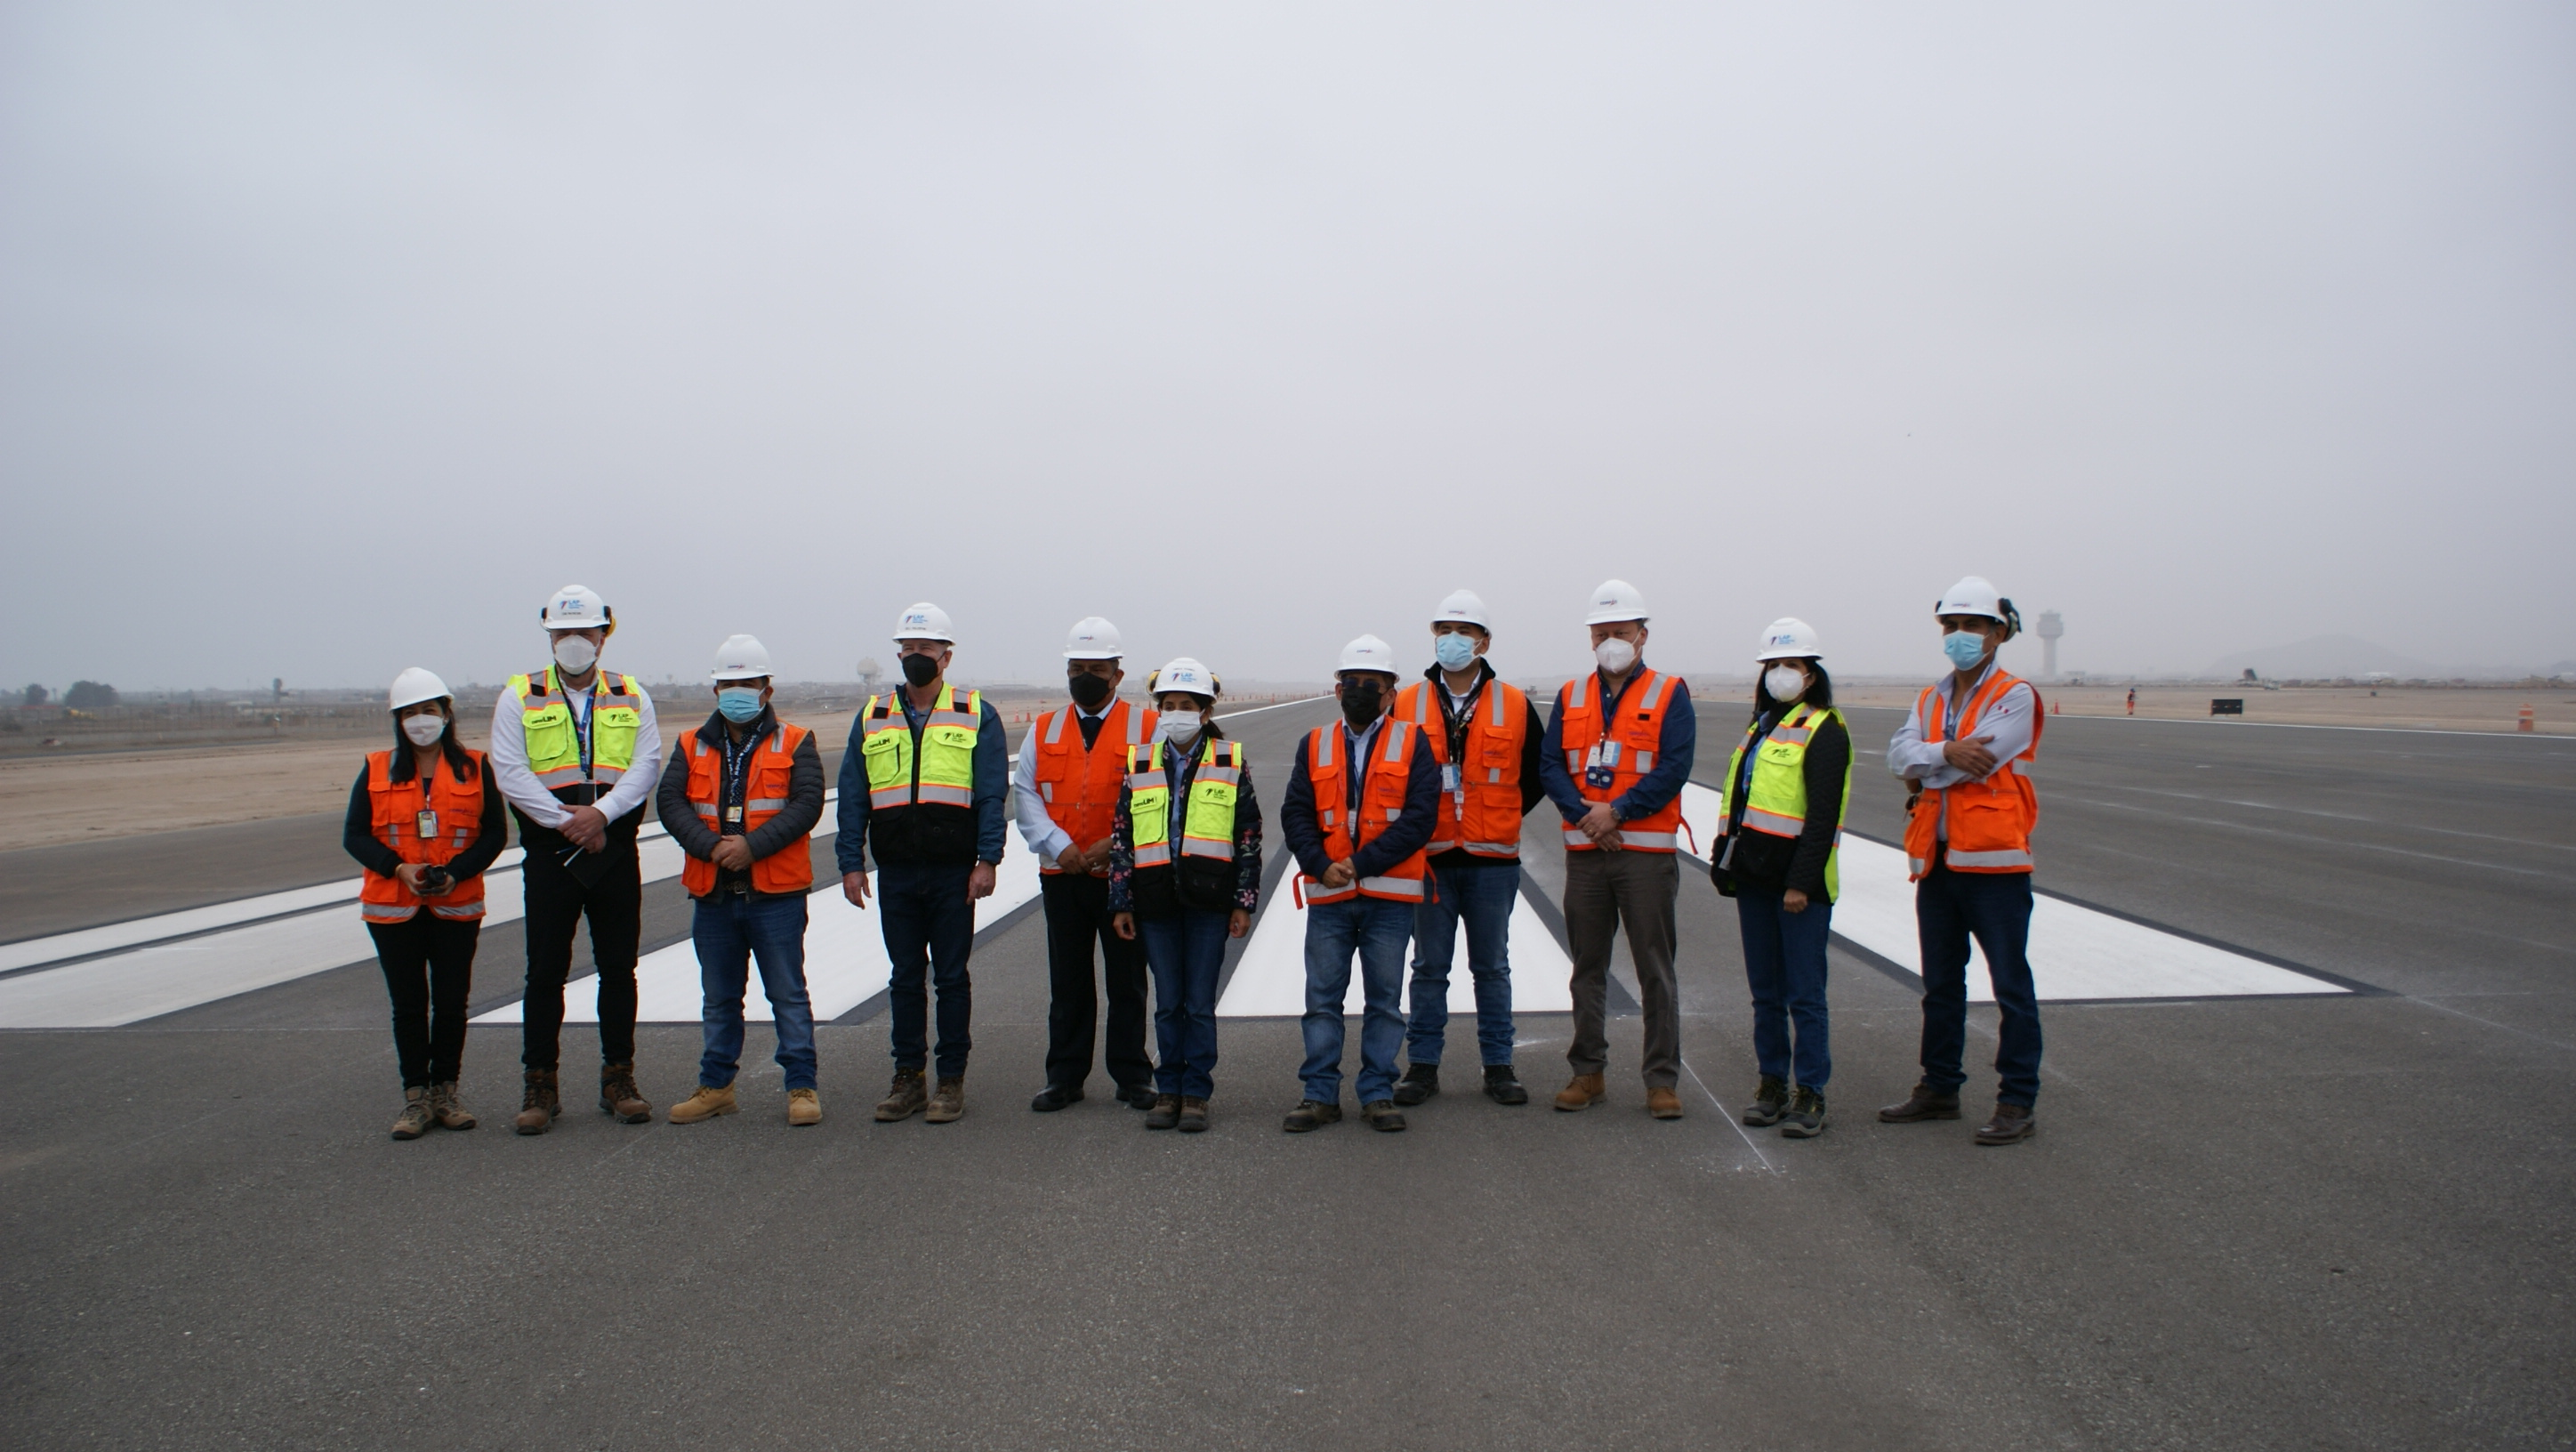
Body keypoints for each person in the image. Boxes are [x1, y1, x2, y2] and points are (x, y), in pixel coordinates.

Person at [489, 585, 664, 1135]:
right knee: (544, 972)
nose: (574, 642)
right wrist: (569, 820)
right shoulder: (520, 695)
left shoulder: (632, 693)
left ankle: (619, 1079)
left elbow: (647, 762)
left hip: (612, 847)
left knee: (618, 969)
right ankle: (540, 1084)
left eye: (584, 632)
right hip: (551, 852)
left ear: (604, 634)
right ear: (549, 635)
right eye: (563, 633)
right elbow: (509, 770)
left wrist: (602, 815)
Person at [1880, 576, 2047, 1146]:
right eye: (1950, 626)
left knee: (2011, 988)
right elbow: (1897, 756)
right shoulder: (1929, 698)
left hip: (1996, 866)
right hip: (1940, 862)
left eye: (1971, 626)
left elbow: (1984, 759)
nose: (1959, 635)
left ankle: (2017, 1100)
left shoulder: (2015, 695)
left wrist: (1930, 759)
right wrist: (1944, 752)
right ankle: (1940, 1087)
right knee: (1941, 985)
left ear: (1998, 632)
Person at [838, 601, 1009, 1125]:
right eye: (908, 649)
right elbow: (853, 794)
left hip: (954, 871)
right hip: (897, 872)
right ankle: (908, 1078)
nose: (916, 657)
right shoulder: (873, 716)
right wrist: (851, 861)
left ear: (946, 656)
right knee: (905, 978)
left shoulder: (976, 713)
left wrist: (988, 859)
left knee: (952, 978)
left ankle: (950, 1081)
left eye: (926, 649)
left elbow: (989, 793)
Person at [1539, 579, 1697, 1120]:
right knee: (1587, 967)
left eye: (1621, 632)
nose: (1612, 641)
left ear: (1642, 635)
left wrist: (1618, 811)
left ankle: (1661, 1080)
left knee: (1656, 967)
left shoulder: (1670, 692)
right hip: (1586, 853)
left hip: (1644, 855)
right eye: (1602, 632)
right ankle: (1588, 1073)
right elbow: (1550, 766)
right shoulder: (1570, 695)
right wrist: (1588, 816)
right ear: (1590, 638)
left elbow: (1675, 766)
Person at [660, 636, 827, 1128]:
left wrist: (750, 847)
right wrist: (713, 848)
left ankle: (801, 1087)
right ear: (715, 689)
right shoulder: (690, 744)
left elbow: (806, 804)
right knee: (719, 998)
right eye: (728, 683)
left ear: (766, 688)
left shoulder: (796, 740)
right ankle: (716, 1087)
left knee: (788, 994)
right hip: (713, 894)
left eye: (747, 683)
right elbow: (670, 803)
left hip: (774, 893)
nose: (737, 691)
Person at [1389, 589, 1547, 1107]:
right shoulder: (1407, 701)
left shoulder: (1515, 703)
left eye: (1462, 630)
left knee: (1492, 967)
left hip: (1491, 862)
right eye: (1442, 630)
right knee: (1429, 968)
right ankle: (1423, 1066)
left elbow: (1536, 774)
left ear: (1483, 641)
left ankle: (1499, 1066)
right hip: (1430, 859)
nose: (1451, 639)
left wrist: (1497, 815)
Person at [1279, 635, 1441, 1133]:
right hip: (1329, 894)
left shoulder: (1413, 742)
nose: (1361, 691)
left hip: (1388, 898)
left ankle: (1377, 1093)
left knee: (1385, 1001)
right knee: (1322, 1000)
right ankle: (1319, 1095)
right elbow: (1296, 813)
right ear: (1337, 688)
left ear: (1392, 692)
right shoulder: (1315, 743)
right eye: (1352, 682)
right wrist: (1319, 864)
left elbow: (1419, 818)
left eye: (1373, 684)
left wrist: (1360, 863)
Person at [345, 668, 507, 1139]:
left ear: (446, 714)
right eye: (411, 713)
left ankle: (446, 1093)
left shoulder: (475, 766)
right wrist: (397, 868)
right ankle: (416, 1097)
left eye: (429, 711)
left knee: (453, 1002)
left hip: (456, 905)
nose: (421, 721)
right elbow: (354, 834)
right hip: (393, 907)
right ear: (398, 720)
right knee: (409, 1004)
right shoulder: (376, 768)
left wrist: (455, 872)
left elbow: (495, 832)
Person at [1708, 619, 1850, 1138]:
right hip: (1755, 881)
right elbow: (1740, 805)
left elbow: (1822, 819)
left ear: (1812, 675)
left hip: (1798, 889)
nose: (1780, 674)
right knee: (1765, 992)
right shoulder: (1759, 728)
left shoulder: (1825, 730)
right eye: (1773, 666)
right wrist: (1727, 865)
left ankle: (1810, 1091)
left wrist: (1801, 883)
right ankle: (1772, 1083)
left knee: (1805, 995)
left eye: (1792, 665)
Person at [1107, 658, 1262, 1133]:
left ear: (1206, 710)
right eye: (1167, 705)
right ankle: (1168, 1087)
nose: (1175, 713)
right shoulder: (1140, 763)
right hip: (1155, 904)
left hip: (1209, 905)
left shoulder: (1229, 760)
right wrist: (1122, 901)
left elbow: (1249, 836)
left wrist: (1243, 901)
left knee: (1198, 1002)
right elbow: (1122, 837)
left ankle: (1196, 1090)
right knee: (1167, 1002)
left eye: (1186, 706)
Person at [1014, 617, 1159, 1113]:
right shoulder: (1044, 727)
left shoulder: (1147, 726)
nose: (1086, 677)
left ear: (1118, 674)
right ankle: (1065, 1077)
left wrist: (1114, 846)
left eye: (1097, 668)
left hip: (1122, 876)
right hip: (1063, 875)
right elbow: (1026, 792)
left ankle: (1133, 1075)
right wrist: (1057, 846)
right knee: (1069, 982)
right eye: (1078, 668)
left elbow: (1158, 796)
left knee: (1127, 981)